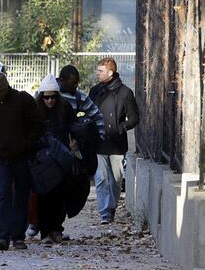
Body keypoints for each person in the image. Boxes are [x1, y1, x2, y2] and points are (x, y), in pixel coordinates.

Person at [0, 72, 44, 250]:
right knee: (2, 196)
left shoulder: (23, 100)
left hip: (21, 157)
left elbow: (38, 124)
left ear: (7, 86)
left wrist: (27, 143)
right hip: (0, 158)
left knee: (21, 197)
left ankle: (18, 236)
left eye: (2, 91)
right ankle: (2, 236)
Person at [89, 57, 139, 224]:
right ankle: (105, 212)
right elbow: (89, 113)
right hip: (98, 141)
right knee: (101, 178)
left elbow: (134, 118)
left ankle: (111, 207)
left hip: (116, 143)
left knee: (116, 179)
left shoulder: (125, 92)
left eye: (100, 71)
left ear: (110, 72)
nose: (97, 73)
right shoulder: (95, 91)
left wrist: (121, 127)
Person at [33, 74, 78, 244]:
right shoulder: (35, 111)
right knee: (43, 197)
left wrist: (75, 143)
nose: (50, 101)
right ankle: (45, 232)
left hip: (61, 157)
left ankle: (56, 228)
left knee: (60, 196)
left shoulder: (65, 107)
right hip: (43, 160)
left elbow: (74, 126)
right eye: (46, 97)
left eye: (53, 97)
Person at [58, 65, 105, 140]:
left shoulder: (79, 97)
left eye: (77, 82)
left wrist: (100, 136)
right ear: (62, 80)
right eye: (72, 83)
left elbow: (97, 115)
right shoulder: (47, 92)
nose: (76, 85)